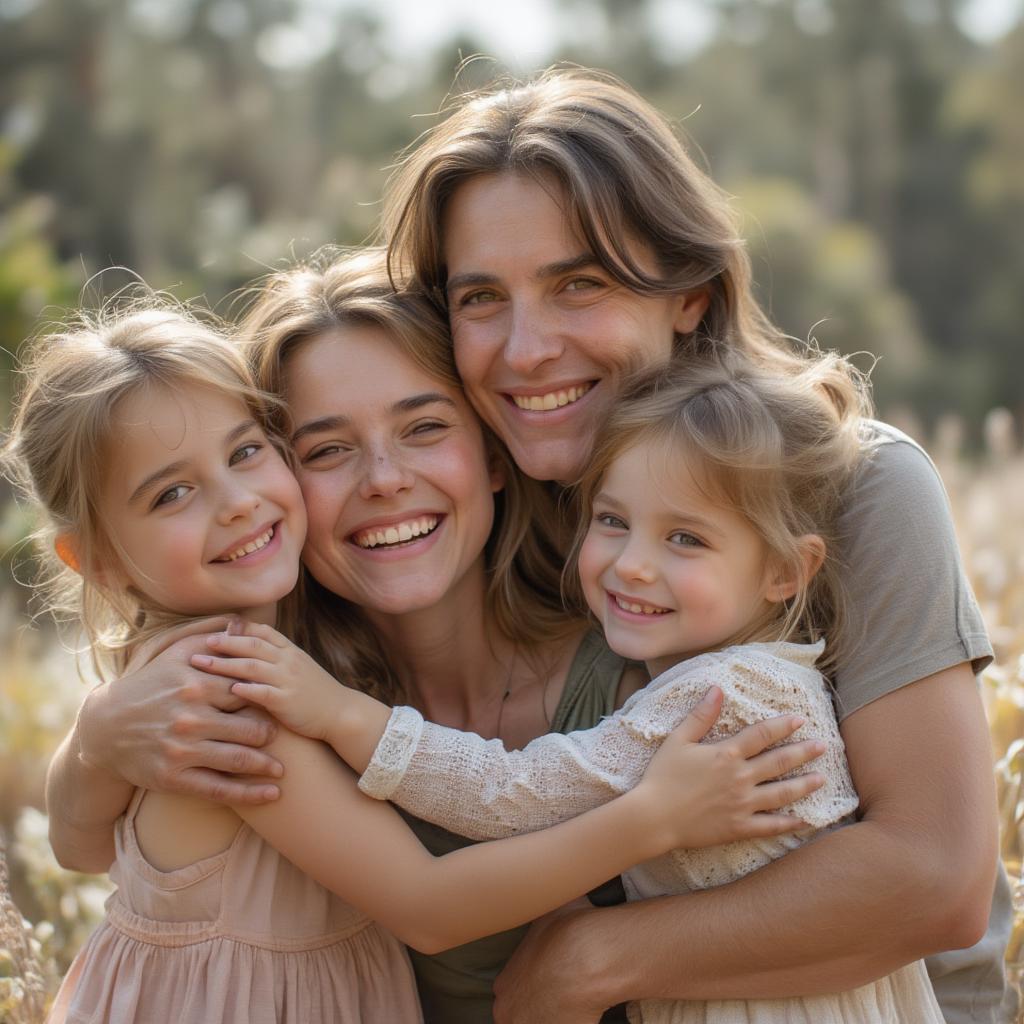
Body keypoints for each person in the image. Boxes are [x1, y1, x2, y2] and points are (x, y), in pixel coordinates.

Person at [377, 68, 1008, 1024]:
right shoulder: (469, 512)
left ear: (692, 294)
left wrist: (594, 961)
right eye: (479, 299)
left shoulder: (850, 485)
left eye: (577, 284)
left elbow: (934, 878)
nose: (526, 347)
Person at [36, 261, 825, 1023]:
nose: (383, 479)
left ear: (491, 451)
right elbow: (425, 905)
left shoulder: (647, 648)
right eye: (327, 449)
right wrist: (97, 739)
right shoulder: (246, 685)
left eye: (423, 427)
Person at [192, 355, 950, 1021]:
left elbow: (513, 794)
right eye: (613, 521)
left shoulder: (722, 699)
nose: (634, 566)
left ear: (786, 573)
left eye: (685, 538)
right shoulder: (747, 673)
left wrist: (343, 716)